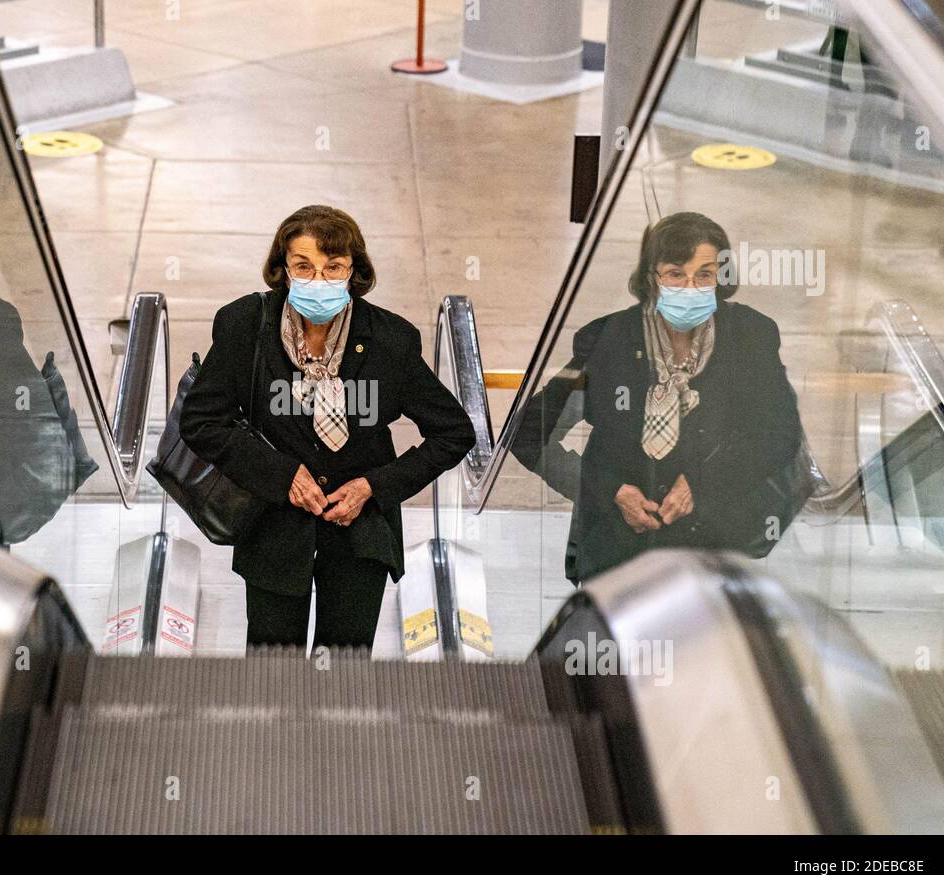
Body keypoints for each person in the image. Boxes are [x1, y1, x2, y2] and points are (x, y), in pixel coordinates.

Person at [180, 205, 475, 649]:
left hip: (359, 537)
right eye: (304, 266)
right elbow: (202, 421)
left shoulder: (390, 341)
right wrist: (282, 475)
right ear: (283, 269)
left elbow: (454, 432)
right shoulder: (245, 327)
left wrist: (372, 486)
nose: (318, 280)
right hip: (273, 528)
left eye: (333, 267)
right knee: (272, 672)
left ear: (354, 271)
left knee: (344, 675)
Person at [509, 211, 806, 584]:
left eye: (705, 275)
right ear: (652, 278)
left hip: (715, 551)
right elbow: (530, 433)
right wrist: (611, 491)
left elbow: (779, 437)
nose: (690, 287)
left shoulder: (750, 337)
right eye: (675, 274)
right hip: (619, 553)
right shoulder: (609, 341)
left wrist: (701, 483)